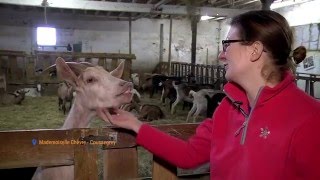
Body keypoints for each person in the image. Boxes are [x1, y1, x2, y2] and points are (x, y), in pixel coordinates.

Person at [97, 10, 320, 179]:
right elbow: (189, 154)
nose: (221, 56)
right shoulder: (228, 107)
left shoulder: (308, 118)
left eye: (227, 45)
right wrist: (135, 125)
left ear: (254, 50)